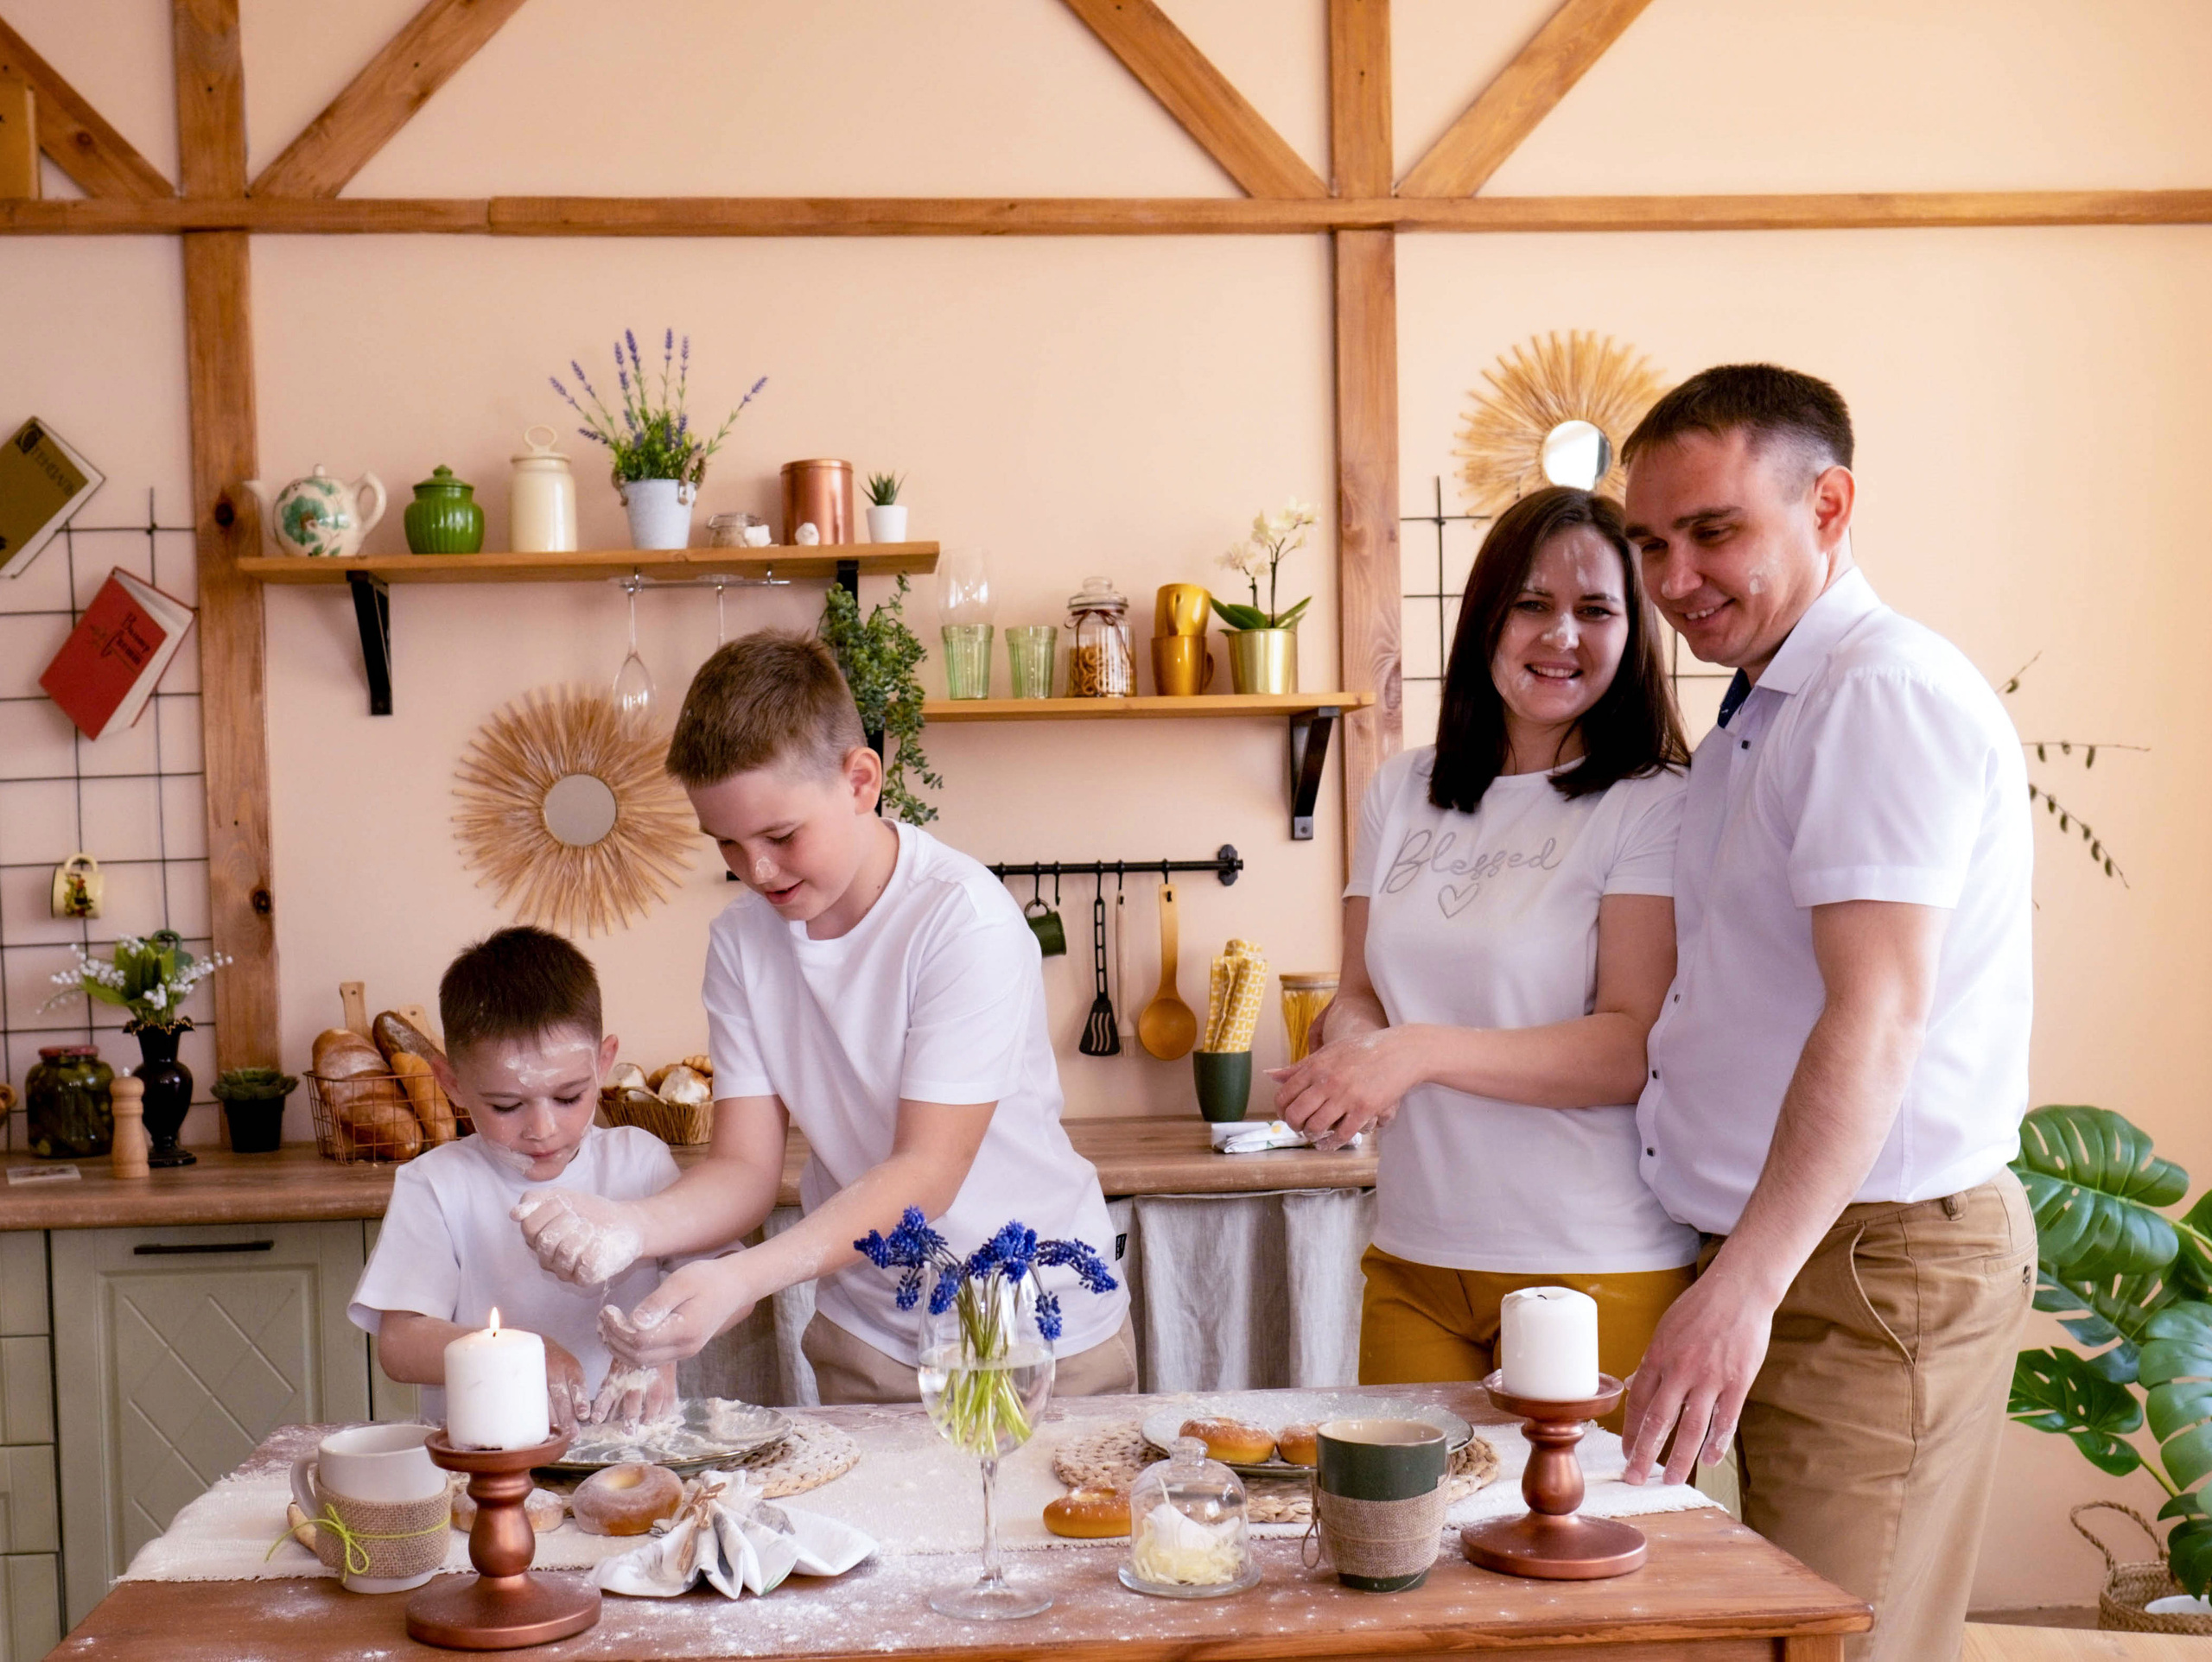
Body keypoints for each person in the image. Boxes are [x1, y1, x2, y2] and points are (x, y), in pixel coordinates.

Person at [1617, 365, 2036, 1662]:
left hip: (1867, 1262)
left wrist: (1743, 1285)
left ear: (1829, 504)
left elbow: (1879, 1015)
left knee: (1851, 1650)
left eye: (1713, 532)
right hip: (1803, 1247)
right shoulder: (1766, 702)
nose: (1674, 577)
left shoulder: (1876, 693)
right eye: (1650, 542)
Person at [514, 631, 1134, 1403]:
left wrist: (743, 1277)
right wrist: (629, 1227)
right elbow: (745, 1170)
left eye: (780, 836)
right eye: (728, 846)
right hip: (869, 1333)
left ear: (860, 780)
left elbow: (926, 1174)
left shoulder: (960, 919)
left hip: (1039, 1334)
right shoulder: (743, 943)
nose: (756, 871)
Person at [1273, 485, 1696, 1418]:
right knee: (1400, 1549)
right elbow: (1357, 993)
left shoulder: (1653, 800)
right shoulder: (1400, 790)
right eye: (1532, 604)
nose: (1562, 636)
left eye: (1596, 610)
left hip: (1594, 1261)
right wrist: (1347, 1058)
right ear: (1485, 618)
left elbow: (1630, 1044)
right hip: (1415, 1250)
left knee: (1591, 1559)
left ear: (1633, 635)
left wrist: (1413, 1052)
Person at [349, 926, 683, 1430]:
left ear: (604, 1063)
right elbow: (399, 1346)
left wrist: (664, 1343)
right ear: (452, 1083)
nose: (542, 1129)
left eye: (569, 1097)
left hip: (636, 1447)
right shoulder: (437, 1185)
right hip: (486, 1461)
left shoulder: (643, 1163)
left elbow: (721, 1285)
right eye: (507, 1105)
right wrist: (519, 1355)